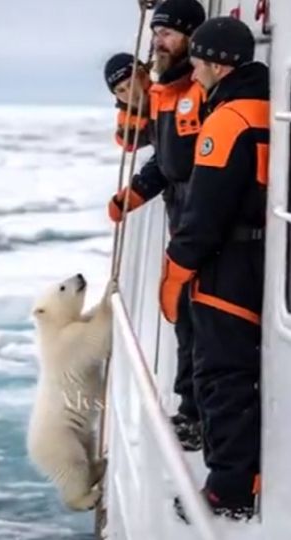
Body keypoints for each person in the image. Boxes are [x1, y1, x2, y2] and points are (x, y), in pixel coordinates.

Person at [159, 16, 269, 518]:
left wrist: (177, 270)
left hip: (227, 266)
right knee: (241, 372)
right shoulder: (264, 106)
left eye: (200, 61)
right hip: (259, 258)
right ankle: (246, 475)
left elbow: (205, 213)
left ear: (218, 64)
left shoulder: (227, 121)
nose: (195, 69)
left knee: (221, 375)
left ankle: (228, 492)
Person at [107, 0, 206, 451]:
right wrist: (134, 195)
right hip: (185, 224)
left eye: (166, 33)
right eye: (156, 34)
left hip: (205, 228)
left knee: (204, 323)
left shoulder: (192, 89)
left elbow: (182, 161)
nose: (157, 42)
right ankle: (192, 411)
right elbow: (159, 155)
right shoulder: (167, 91)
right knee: (188, 318)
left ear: (190, 35)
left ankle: (198, 415)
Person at [104, 52, 152, 152]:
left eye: (131, 84)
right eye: (121, 90)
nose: (130, 94)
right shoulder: (127, 118)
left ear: (144, 75)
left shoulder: (169, 90)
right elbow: (123, 141)